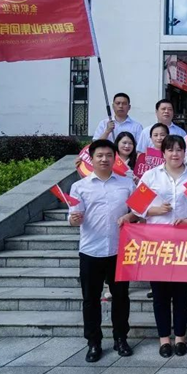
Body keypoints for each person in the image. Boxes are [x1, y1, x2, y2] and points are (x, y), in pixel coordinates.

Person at [68, 139, 138, 362]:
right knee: (90, 299)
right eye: (99, 155)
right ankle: (94, 342)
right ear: (91, 159)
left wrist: (129, 216)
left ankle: (121, 338)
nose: (104, 159)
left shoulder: (126, 183)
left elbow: (138, 211)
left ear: (115, 158)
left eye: (109, 155)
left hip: (119, 250)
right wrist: (74, 219)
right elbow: (73, 217)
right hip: (91, 250)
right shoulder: (79, 187)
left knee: (121, 297)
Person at [133, 135, 187, 357]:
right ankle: (164, 339)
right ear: (163, 153)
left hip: (185, 243)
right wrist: (155, 210)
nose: (175, 154)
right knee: (160, 293)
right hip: (156, 243)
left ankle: (180, 336)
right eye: (170, 149)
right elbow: (136, 207)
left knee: (182, 293)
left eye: (179, 149)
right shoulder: (151, 176)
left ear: (185, 152)